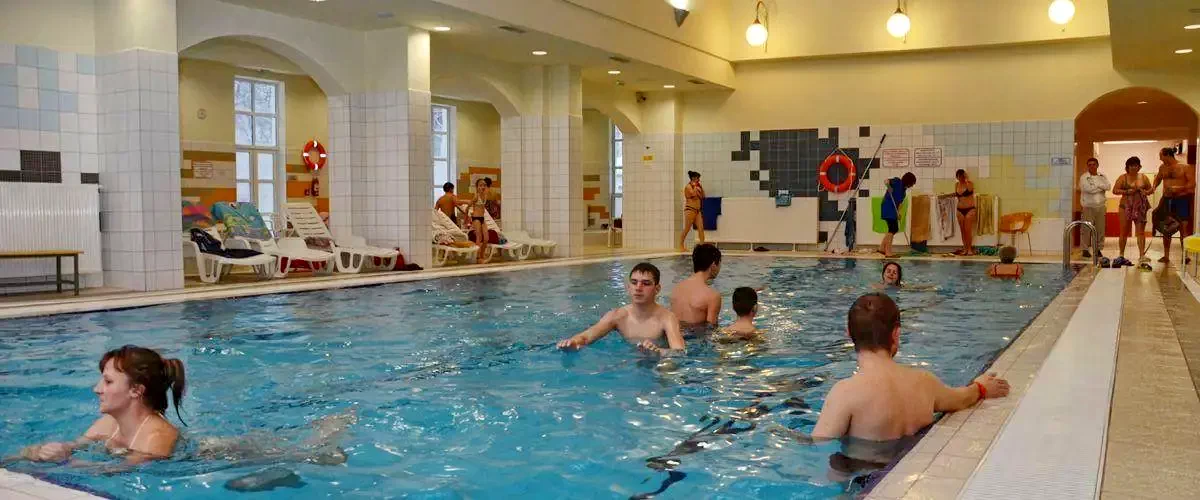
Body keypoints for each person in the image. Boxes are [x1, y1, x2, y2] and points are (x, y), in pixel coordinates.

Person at [812, 294, 1010, 441]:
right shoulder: (925, 382)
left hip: (864, 479)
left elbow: (818, 449)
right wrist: (981, 387)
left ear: (849, 333)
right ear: (896, 333)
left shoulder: (845, 393)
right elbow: (962, 398)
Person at [19, 346, 185, 465]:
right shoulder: (109, 422)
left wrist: (66, 461)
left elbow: (118, 472)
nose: (97, 389)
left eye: (108, 382)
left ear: (136, 390)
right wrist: (40, 451)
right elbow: (73, 446)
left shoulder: (155, 438)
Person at [557, 262, 685, 356]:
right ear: (628, 287)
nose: (638, 288)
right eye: (634, 282)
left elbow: (679, 352)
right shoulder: (618, 315)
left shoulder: (666, 318)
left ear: (657, 289)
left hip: (657, 364)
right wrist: (573, 343)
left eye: (646, 283)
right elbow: (586, 337)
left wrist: (658, 352)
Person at [1152, 147, 1195, 264]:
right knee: (1166, 228)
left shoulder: (1184, 167)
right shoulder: (1162, 168)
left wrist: (1179, 188)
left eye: (1161, 156)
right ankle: (1166, 256)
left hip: (1181, 199)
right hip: (1167, 200)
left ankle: (1185, 256)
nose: (1160, 158)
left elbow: (1192, 184)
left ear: (1167, 155)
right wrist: (1154, 187)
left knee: (1183, 228)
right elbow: (1158, 179)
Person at [1113, 156, 1153, 265]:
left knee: (1140, 232)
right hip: (1125, 206)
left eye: (1136, 165)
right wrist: (1126, 192)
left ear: (1139, 167)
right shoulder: (1123, 177)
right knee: (1124, 231)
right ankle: (1121, 254)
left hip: (1140, 207)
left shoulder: (1143, 177)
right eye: (1131, 165)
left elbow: (1150, 189)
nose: (1134, 167)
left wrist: (1146, 192)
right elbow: (1115, 190)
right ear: (1127, 167)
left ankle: (1142, 255)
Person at [670, 243, 722, 327]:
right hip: (696, 333)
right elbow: (711, 329)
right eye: (719, 263)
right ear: (713, 266)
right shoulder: (712, 296)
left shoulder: (677, 288)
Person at [879, 172, 917, 258]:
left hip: (893, 210)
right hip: (888, 207)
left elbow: (899, 204)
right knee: (893, 229)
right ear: (908, 181)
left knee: (892, 229)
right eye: (912, 183)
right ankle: (888, 252)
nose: (912, 186)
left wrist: (898, 213)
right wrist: (888, 185)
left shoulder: (904, 192)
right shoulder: (897, 182)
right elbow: (886, 181)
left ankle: (881, 248)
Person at [1078, 158, 1110, 258]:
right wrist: (1101, 187)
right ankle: (1085, 249)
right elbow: (1087, 189)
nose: (1092, 166)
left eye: (1094, 164)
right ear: (1087, 166)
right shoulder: (1084, 177)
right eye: (1090, 165)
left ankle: (1098, 249)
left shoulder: (1102, 176)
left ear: (1097, 165)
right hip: (1088, 206)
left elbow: (1108, 186)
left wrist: (1097, 186)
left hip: (1101, 207)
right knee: (1086, 229)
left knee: (1100, 230)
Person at [679, 171, 706, 252]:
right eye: (698, 178)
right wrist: (694, 187)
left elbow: (703, 196)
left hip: (697, 211)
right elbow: (693, 195)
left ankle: (702, 247)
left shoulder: (698, 186)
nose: (699, 180)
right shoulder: (688, 187)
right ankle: (681, 245)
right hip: (690, 210)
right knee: (687, 229)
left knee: (701, 228)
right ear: (693, 178)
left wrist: (700, 188)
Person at [469, 178, 493, 264]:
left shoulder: (485, 195)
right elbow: (468, 206)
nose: (482, 187)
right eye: (480, 185)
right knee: (479, 237)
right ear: (477, 187)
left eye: (484, 185)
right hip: (476, 218)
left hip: (482, 219)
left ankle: (482, 254)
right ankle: (478, 257)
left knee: (486, 238)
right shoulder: (476, 196)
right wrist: (467, 218)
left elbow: (490, 192)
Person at [953, 169, 977, 256]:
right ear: (957, 177)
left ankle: (969, 249)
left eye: (962, 176)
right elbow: (957, 196)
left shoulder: (969, 184)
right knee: (962, 231)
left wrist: (966, 179)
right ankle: (965, 249)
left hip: (970, 209)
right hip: (960, 210)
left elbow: (970, 190)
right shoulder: (956, 185)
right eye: (959, 176)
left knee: (968, 230)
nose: (961, 178)